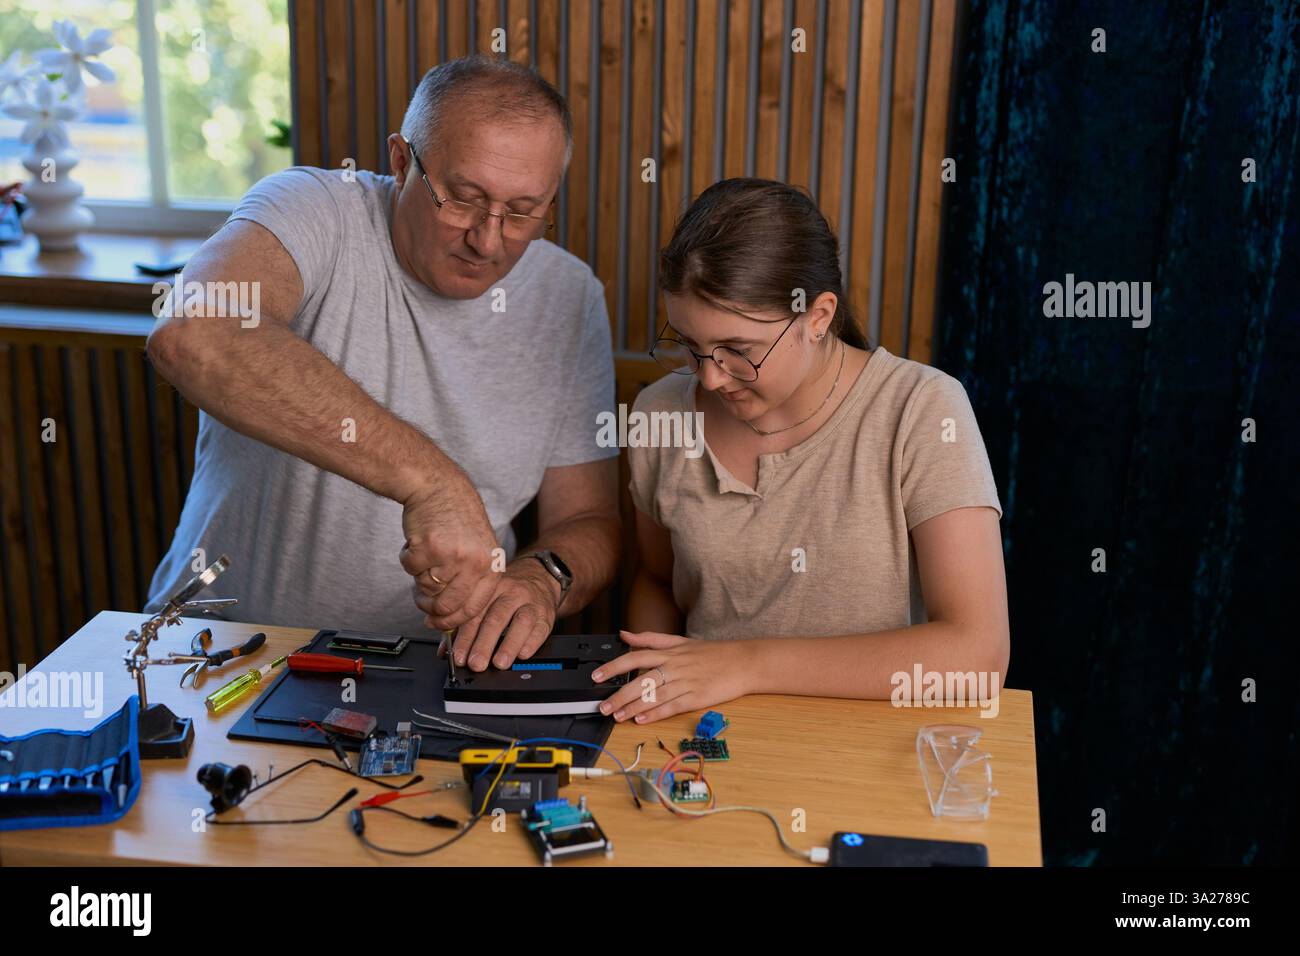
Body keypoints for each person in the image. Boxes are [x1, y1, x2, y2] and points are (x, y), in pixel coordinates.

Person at [145, 55, 620, 670]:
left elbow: (590, 519)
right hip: (222, 652)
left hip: (432, 669)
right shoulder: (313, 206)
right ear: (401, 162)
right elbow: (194, 331)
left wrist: (539, 579)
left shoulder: (571, 296)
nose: (489, 239)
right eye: (463, 199)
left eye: (524, 211)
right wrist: (433, 483)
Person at [593, 178, 1009, 723]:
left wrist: (747, 665)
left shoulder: (923, 407)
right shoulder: (659, 414)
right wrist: (650, 688)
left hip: (873, 749)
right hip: (706, 739)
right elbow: (656, 580)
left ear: (817, 316)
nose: (712, 379)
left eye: (739, 351)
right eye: (693, 349)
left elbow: (976, 655)